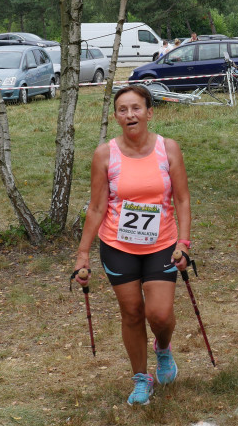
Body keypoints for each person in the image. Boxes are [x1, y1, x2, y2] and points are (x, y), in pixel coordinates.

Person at [73, 84, 192, 406]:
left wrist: (184, 242)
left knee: (160, 314)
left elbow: (182, 199)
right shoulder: (105, 154)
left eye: (136, 108)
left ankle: (163, 349)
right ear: (116, 117)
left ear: (149, 112)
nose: (130, 115)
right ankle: (141, 378)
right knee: (132, 313)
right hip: (117, 245)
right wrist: (82, 254)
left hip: (162, 243)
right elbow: (97, 207)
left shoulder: (168, 149)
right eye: (122, 110)